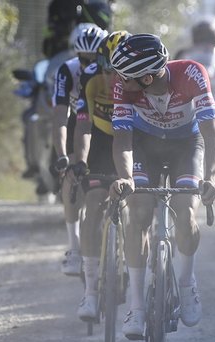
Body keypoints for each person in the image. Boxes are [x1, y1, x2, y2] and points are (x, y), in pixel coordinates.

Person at [108, 34, 215, 339]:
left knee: (185, 215)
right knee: (140, 213)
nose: (118, 81)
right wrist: (125, 177)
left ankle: (186, 282)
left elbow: (212, 133)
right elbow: (122, 139)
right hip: (145, 148)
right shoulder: (123, 85)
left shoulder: (191, 74)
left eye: (125, 76)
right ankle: (136, 306)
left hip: (187, 145)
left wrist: (211, 177)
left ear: (146, 77)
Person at [73, 30, 130, 320]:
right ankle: (91, 293)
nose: (117, 78)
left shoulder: (140, 79)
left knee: (140, 204)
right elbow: (82, 126)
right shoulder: (91, 77)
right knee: (93, 205)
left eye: (124, 71)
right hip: (99, 142)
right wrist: (80, 160)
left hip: (133, 142)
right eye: (111, 70)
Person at [51, 24, 108, 276]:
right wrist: (62, 154)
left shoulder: (110, 70)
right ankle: (74, 249)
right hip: (78, 121)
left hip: (108, 124)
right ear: (76, 55)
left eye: (94, 57)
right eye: (83, 58)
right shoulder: (68, 71)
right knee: (71, 175)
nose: (88, 63)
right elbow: (60, 118)